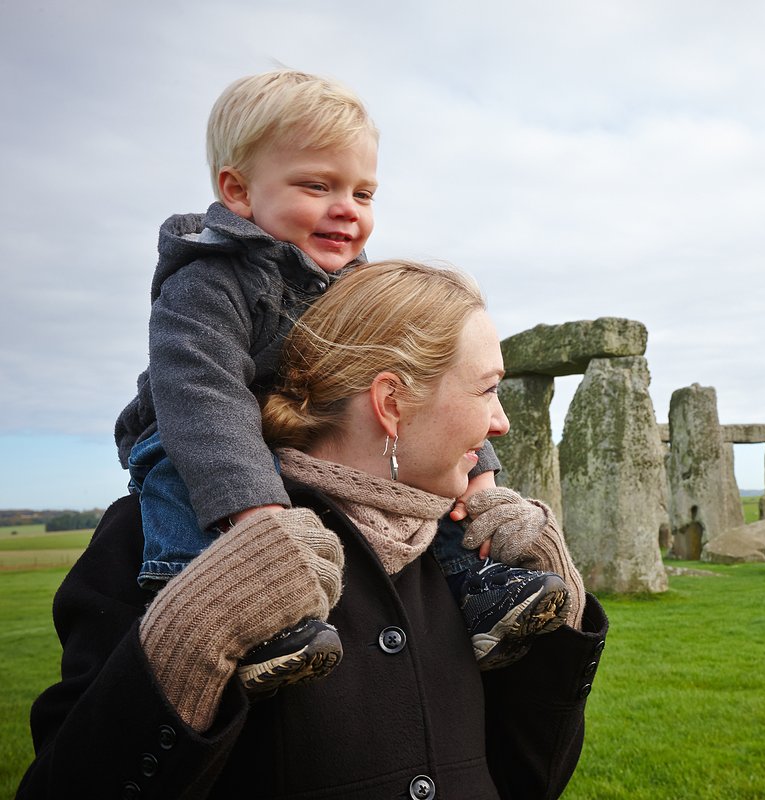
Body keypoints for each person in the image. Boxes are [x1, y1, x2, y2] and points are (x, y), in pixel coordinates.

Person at [18, 260, 607, 799]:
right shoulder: (161, 537)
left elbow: (530, 779)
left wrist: (563, 603)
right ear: (391, 402)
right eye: (487, 389)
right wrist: (199, 630)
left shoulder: (463, 558)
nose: (502, 423)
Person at [112, 68, 567, 684]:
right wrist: (259, 519)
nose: (345, 211)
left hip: (287, 424)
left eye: (363, 194)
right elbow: (204, 393)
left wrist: (481, 483)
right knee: (175, 467)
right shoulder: (206, 278)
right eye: (317, 185)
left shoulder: (352, 282)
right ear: (238, 191)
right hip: (190, 425)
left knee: (409, 476)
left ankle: (473, 586)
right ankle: (208, 595)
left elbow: (431, 381)